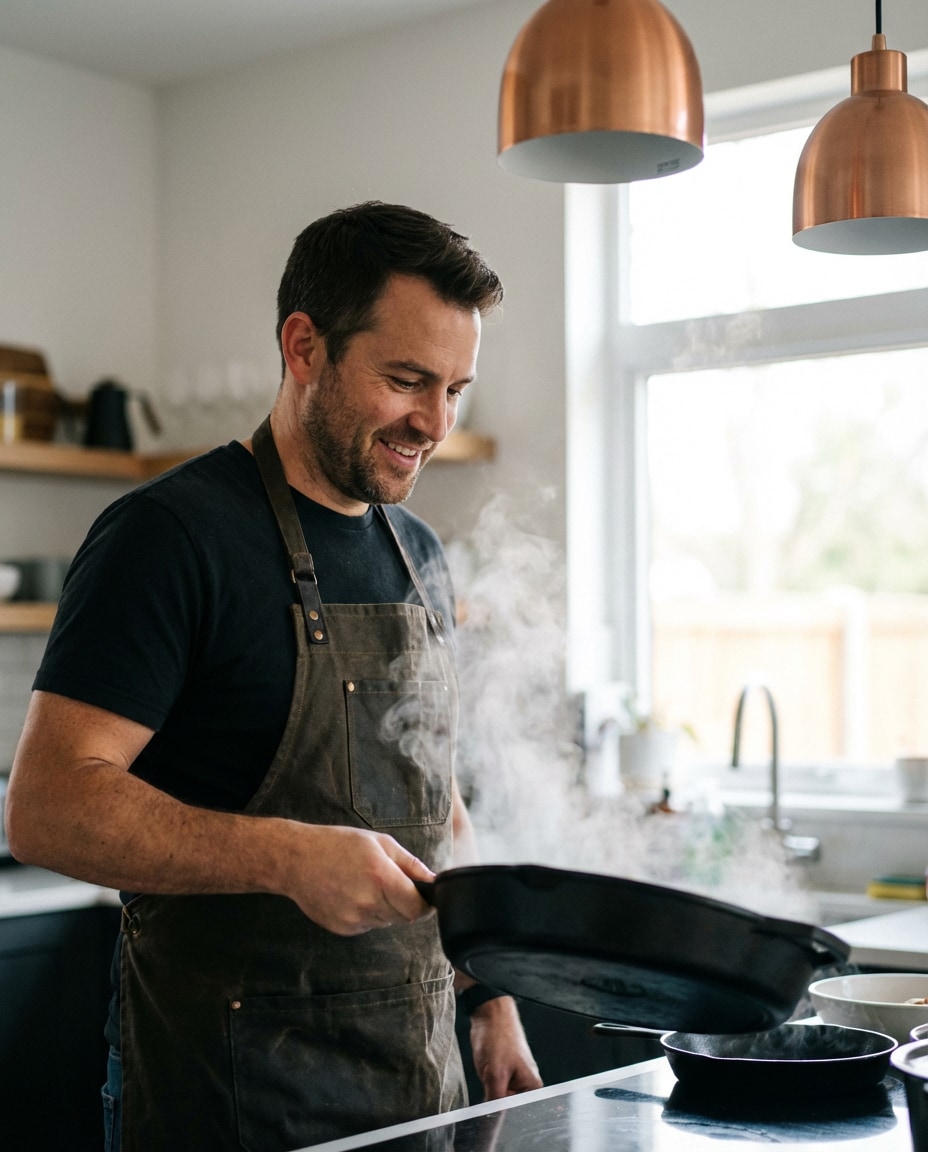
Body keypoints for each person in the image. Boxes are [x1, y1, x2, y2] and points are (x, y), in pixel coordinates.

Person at [5, 201, 542, 1151]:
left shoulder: (419, 553)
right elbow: (46, 805)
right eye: (407, 380)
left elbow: (434, 795)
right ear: (304, 347)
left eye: (455, 388)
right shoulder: (167, 539)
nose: (433, 422)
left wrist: (489, 994)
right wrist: (286, 856)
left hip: (416, 1087)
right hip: (229, 1100)